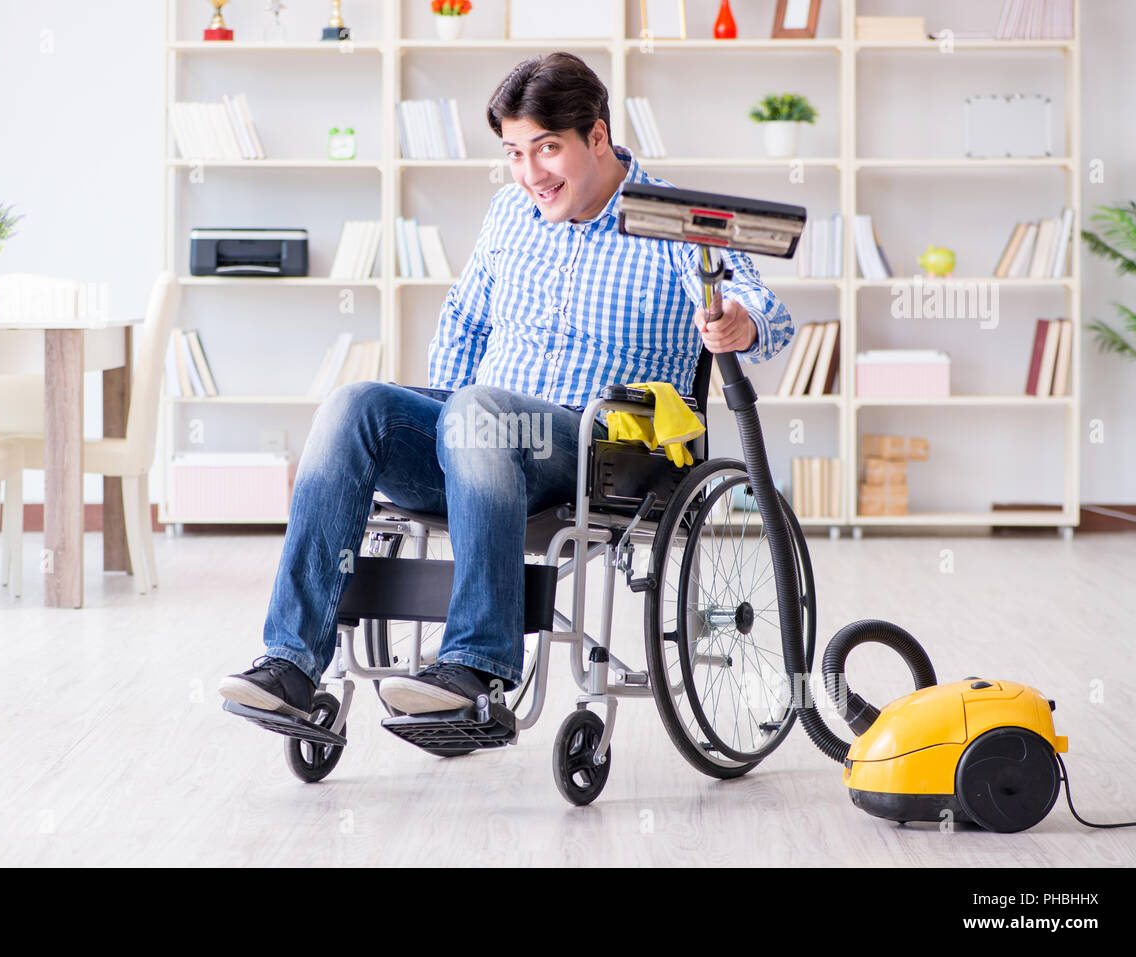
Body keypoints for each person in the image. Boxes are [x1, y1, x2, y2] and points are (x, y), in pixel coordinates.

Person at [218, 52, 794, 719]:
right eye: (514, 153)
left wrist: (739, 323)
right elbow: (464, 319)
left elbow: (769, 314)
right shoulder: (508, 212)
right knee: (356, 405)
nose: (530, 175)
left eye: (546, 150)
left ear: (597, 136)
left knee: (478, 409)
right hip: (479, 438)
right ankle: (290, 661)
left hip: (599, 448)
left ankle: (479, 667)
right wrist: (447, 427)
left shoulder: (678, 222)